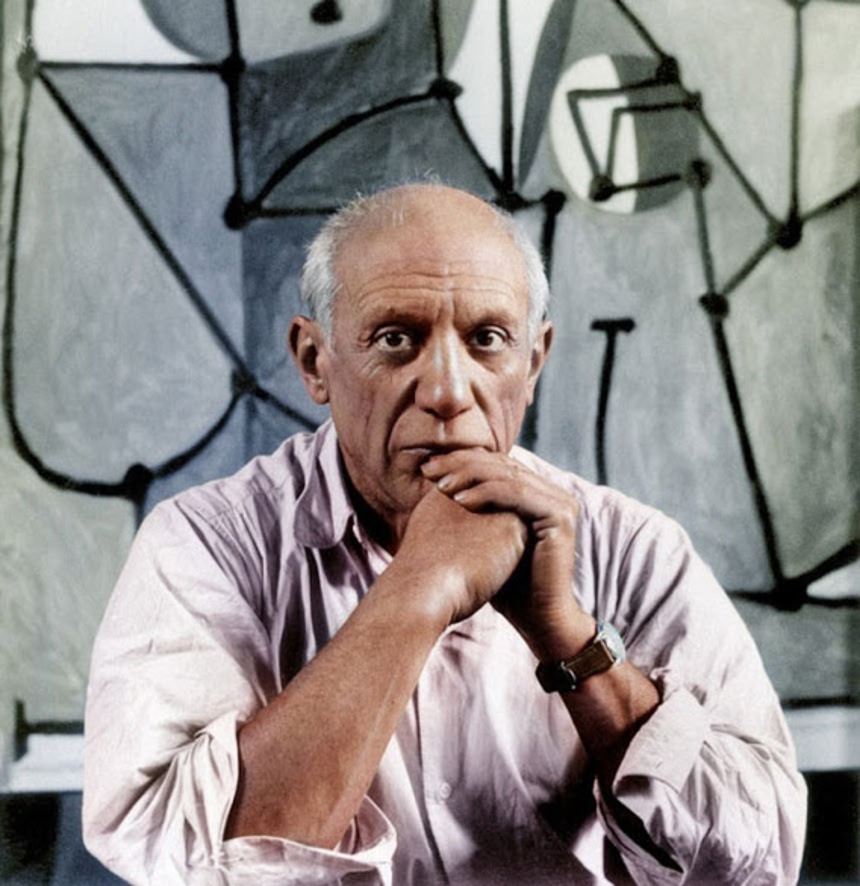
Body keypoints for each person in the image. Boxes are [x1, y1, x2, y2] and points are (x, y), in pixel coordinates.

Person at [83, 183, 806, 885]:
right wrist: (419, 590)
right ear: (315, 361)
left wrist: (567, 635)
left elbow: (756, 861)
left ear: (533, 362)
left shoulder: (635, 549)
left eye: (487, 340)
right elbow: (176, 856)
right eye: (396, 339)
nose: (448, 391)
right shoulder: (205, 546)